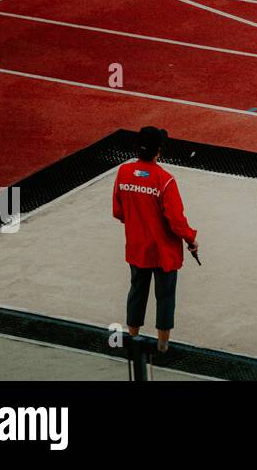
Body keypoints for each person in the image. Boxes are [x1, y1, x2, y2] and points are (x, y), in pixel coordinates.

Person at [113, 126, 198, 354]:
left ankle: (133, 339)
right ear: (158, 151)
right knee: (166, 296)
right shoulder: (165, 180)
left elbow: (118, 212)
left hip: (137, 247)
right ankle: (163, 346)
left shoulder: (123, 173)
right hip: (164, 252)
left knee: (137, 292)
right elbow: (177, 222)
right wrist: (191, 239)